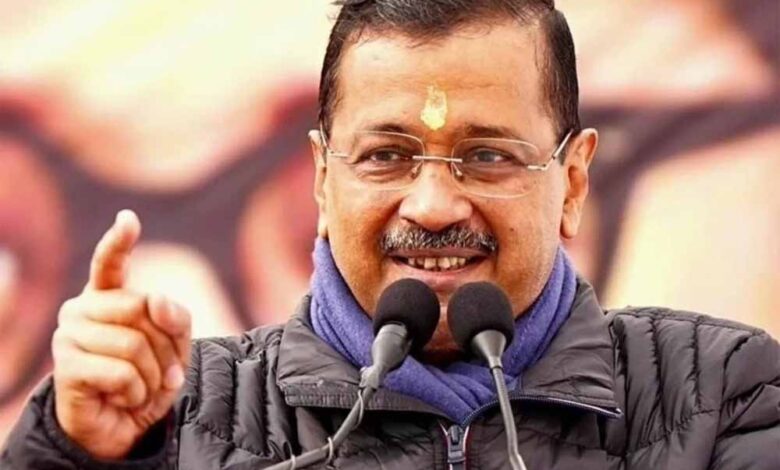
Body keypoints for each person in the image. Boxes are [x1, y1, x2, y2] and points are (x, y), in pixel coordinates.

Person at [3, 0, 779, 468]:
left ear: (572, 181)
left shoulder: (726, 391)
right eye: (385, 156)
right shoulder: (179, 418)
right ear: (323, 179)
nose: (434, 206)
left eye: (487, 156)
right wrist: (78, 454)